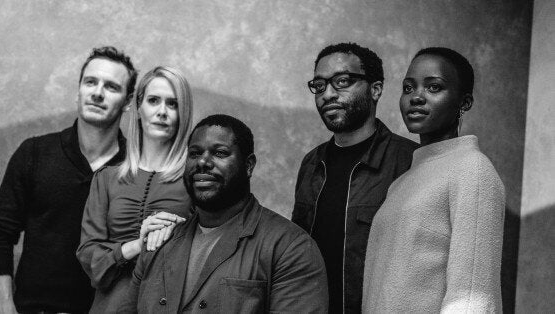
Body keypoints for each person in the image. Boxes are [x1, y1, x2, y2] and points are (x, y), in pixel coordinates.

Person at [117, 114, 329, 313]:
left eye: (219, 153)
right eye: (195, 153)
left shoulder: (291, 248)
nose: (203, 162)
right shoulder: (160, 241)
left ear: (248, 166)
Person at [0, 46, 136, 313]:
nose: (97, 93)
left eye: (111, 87)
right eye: (90, 82)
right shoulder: (35, 153)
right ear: (79, 90)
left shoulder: (135, 169)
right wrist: (5, 305)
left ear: (128, 101)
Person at [362, 47, 505, 313]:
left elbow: (473, 298)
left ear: (464, 102)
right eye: (408, 88)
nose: (416, 97)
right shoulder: (402, 182)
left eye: (434, 87)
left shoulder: (472, 169)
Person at [292, 42, 418, 313]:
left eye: (342, 82)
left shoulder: (411, 162)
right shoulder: (311, 164)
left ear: (375, 89)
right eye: (319, 85)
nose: (327, 94)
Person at [76, 66, 194, 313]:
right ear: (138, 107)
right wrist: (137, 245)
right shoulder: (106, 179)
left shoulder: (195, 180)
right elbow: (89, 255)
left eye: (172, 104)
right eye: (153, 101)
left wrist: (179, 234)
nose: (162, 111)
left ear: (183, 112)